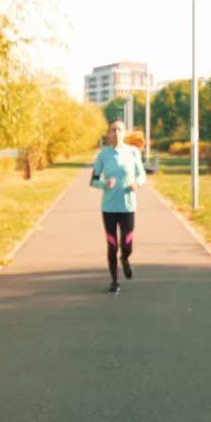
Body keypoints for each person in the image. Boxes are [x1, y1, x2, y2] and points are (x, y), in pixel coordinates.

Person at [90, 119, 146, 293]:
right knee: (112, 246)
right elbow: (93, 180)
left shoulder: (133, 152)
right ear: (109, 134)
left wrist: (137, 184)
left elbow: (141, 174)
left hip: (128, 206)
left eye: (119, 130)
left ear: (124, 133)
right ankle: (115, 282)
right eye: (113, 130)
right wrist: (104, 184)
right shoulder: (103, 155)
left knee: (127, 246)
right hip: (109, 208)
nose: (116, 133)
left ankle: (126, 259)